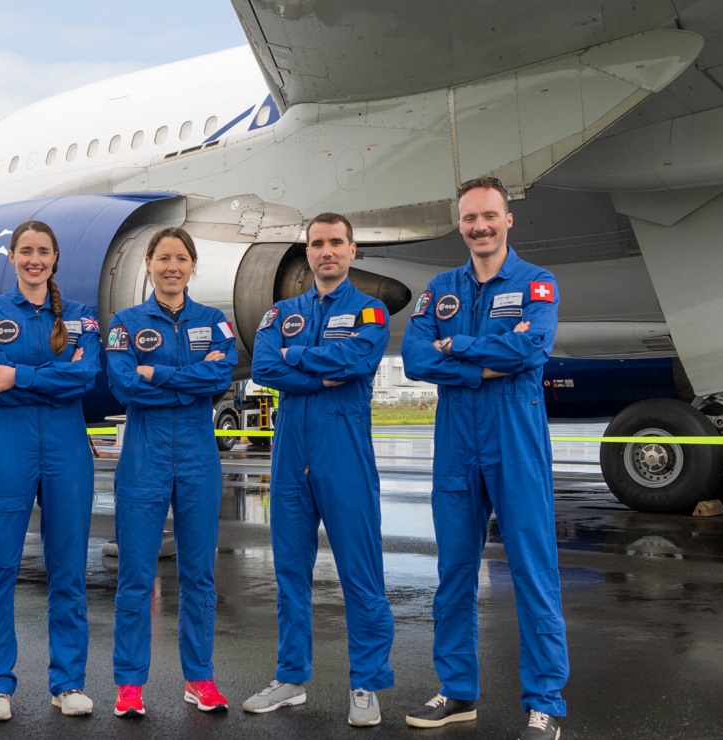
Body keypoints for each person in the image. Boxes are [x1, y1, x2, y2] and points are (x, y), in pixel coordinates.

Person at [400, 176, 567, 740]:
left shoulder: (537, 283)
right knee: (453, 571)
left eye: (489, 216)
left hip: (514, 436)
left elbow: (532, 348)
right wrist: (481, 360)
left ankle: (544, 702)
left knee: (532, 569)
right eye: (470, 218)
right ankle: (458, 691)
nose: (480, 227)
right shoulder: (441, 289)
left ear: (508, 219)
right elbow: (417, 358)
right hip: (455, 442)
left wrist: (459, 345)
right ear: (460, 223)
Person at [245, 212, 394, 727]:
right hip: (291, 458)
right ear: (307, 253)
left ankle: (367, 685)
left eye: (336, 242)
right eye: (316, 243)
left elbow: (358, 363)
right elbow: (265, 368)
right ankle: (291, 678)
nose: (326, 251)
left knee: (361, 574)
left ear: (352, 250)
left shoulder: (371, 312)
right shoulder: (279, 314)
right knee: (289, 573)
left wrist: (297, 360)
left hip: (344, 454)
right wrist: (319, 367)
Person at [0, 220, 102, 721]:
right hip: (8, 450)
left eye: (43, 251)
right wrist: (51, 379)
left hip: (67, 451)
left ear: (55, 257)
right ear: (11, 255)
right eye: (25, 251)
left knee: (69, 569)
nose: (34, 260)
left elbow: (85, 376)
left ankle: (67, 683)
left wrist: (19, 375)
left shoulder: (82, 318)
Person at [105, 226, 237, 718]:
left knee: (199, 575)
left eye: (181, 258)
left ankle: (199, 678)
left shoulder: (214, 321)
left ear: (192, 265)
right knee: (137, 575)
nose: (172, 266)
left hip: (199, 458)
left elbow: (221, 376)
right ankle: (129, 684)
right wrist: (189, 385)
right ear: (149, 264)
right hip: (145, 455)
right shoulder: (126, 322)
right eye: (163, 258)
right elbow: (123, 386)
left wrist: (155, 373)